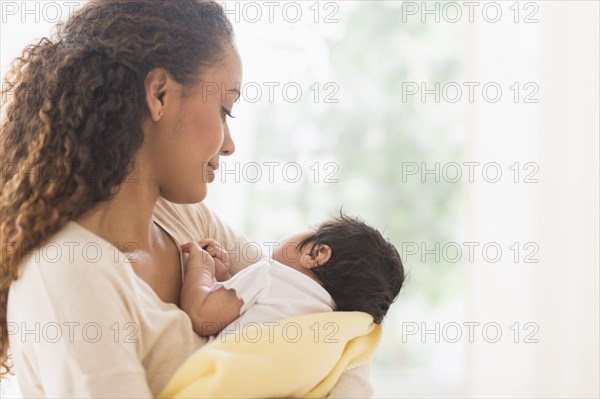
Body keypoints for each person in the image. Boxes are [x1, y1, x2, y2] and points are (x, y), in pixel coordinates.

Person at [0, 0, 374, 397]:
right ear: (159, 94)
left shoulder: (190, 222)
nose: (229, 145)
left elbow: (331, 313)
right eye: (225, 109)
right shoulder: (66, 272)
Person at [179, 214, 405, 340]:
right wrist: (225, 276)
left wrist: (202, 270)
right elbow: (244, 318)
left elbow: (202, 316)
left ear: (316, 253)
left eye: (309, 227)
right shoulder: (325, 318)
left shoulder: (267, 274)